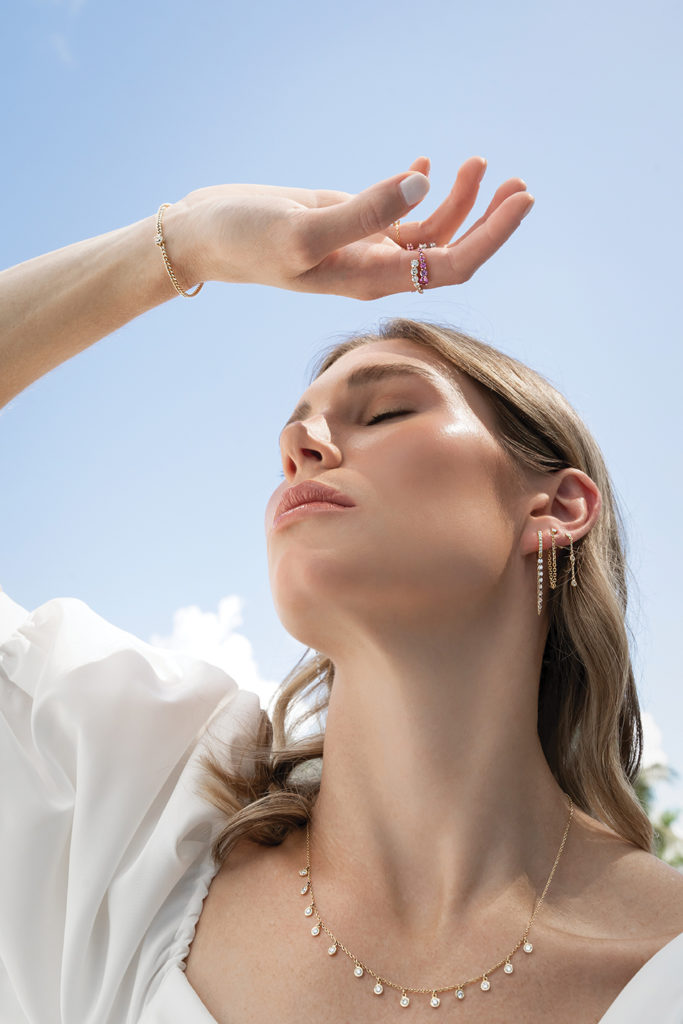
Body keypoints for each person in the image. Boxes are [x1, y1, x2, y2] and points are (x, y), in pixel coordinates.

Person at [1, 155, 682, 1024]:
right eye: (293, 433)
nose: (304, 444)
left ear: (555, 506)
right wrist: (180, 243)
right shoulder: (136, 824)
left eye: (388, 410)